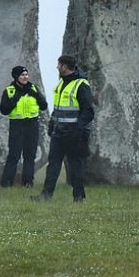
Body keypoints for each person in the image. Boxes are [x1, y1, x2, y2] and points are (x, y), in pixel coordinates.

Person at [32, 55, 95, 202]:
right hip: (59, 132)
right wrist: (52, 124)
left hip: (74, 133)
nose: (57, 67)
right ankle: (45, 196)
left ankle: (79, 197)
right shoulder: (61, 84)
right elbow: (58, 108)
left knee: (75, 165)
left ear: (65, 67)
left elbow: (88, 111)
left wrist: (78, 129)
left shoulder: (81, 85)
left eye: (59, 65)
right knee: (53, 164)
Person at [0, 65, 48, 187]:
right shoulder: (9, 91)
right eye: (22, 75)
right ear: (16, 77)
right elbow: (4, 110)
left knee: (30, 155)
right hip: (17, 126)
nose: (25, 77)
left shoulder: (34, 89)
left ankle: (28, 183)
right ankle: (6, 183)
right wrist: (14, 99)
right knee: (14, 155)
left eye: (26, 74)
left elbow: (44, 106)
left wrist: (35, 95)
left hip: (32, 125)